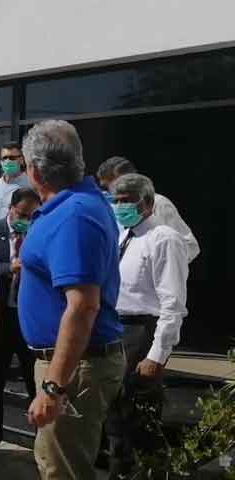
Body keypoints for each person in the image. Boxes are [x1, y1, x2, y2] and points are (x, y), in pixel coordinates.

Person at [17, 120, 125, 480]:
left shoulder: (74, 215)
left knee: (62, 470)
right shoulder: (70, 206)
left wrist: (53, 386)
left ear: (34, 170)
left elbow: (83, 307)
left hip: (75, 367)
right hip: (73, 363)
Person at [106, 173, 188, 478]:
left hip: (141, 331)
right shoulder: (123, 235)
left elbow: (172, 303)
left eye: (127, 201)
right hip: (115, 328)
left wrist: (157, 354)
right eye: (116, 201)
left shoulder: (164, 239)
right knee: (117, 416)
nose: (120, 207)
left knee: (139, 418)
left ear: (148, 203)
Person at [0, 187, 40, 466]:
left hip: (29, 321)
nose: (26, 220)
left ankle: (43, 447)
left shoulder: (40, 233)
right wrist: (7, 268)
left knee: (36, 385)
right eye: (22, 214)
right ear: (10, 209)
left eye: (32, 216)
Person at [97, 156, 200, 262]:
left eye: (114, 185)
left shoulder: (159, 204)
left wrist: (158, 261)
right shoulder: (110, 207)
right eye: (105, 188)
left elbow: (191, 247)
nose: (110, 192)